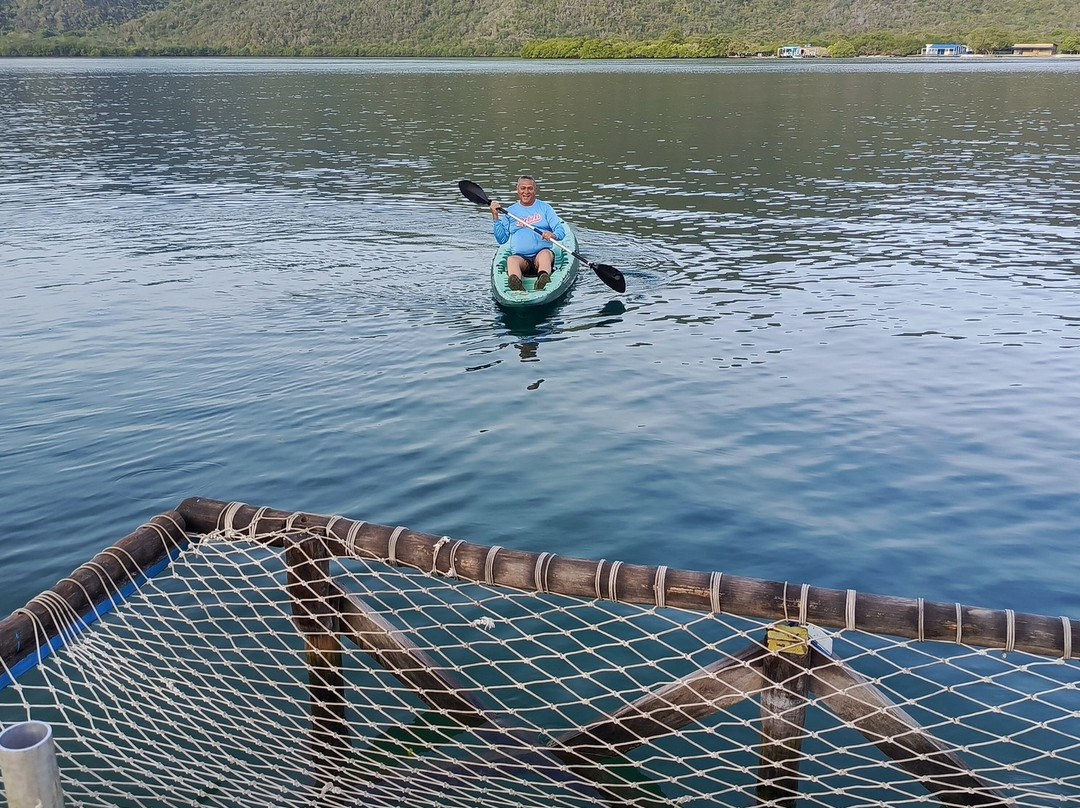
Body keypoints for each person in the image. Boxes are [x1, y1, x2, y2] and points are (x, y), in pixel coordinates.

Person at [489, 175, 567, 291]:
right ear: (517, 189)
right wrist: (495, 217)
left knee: (545, 254)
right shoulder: (510, 212)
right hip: (521, 259)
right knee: (511, 260)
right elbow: (502, 239)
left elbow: (560, 230)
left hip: (541, 255)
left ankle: (543, 278)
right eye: (523, 188)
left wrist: (552, 235)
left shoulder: (545, 208)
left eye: (530, 188)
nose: (526, 192)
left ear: (535, 190)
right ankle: (517, 286)